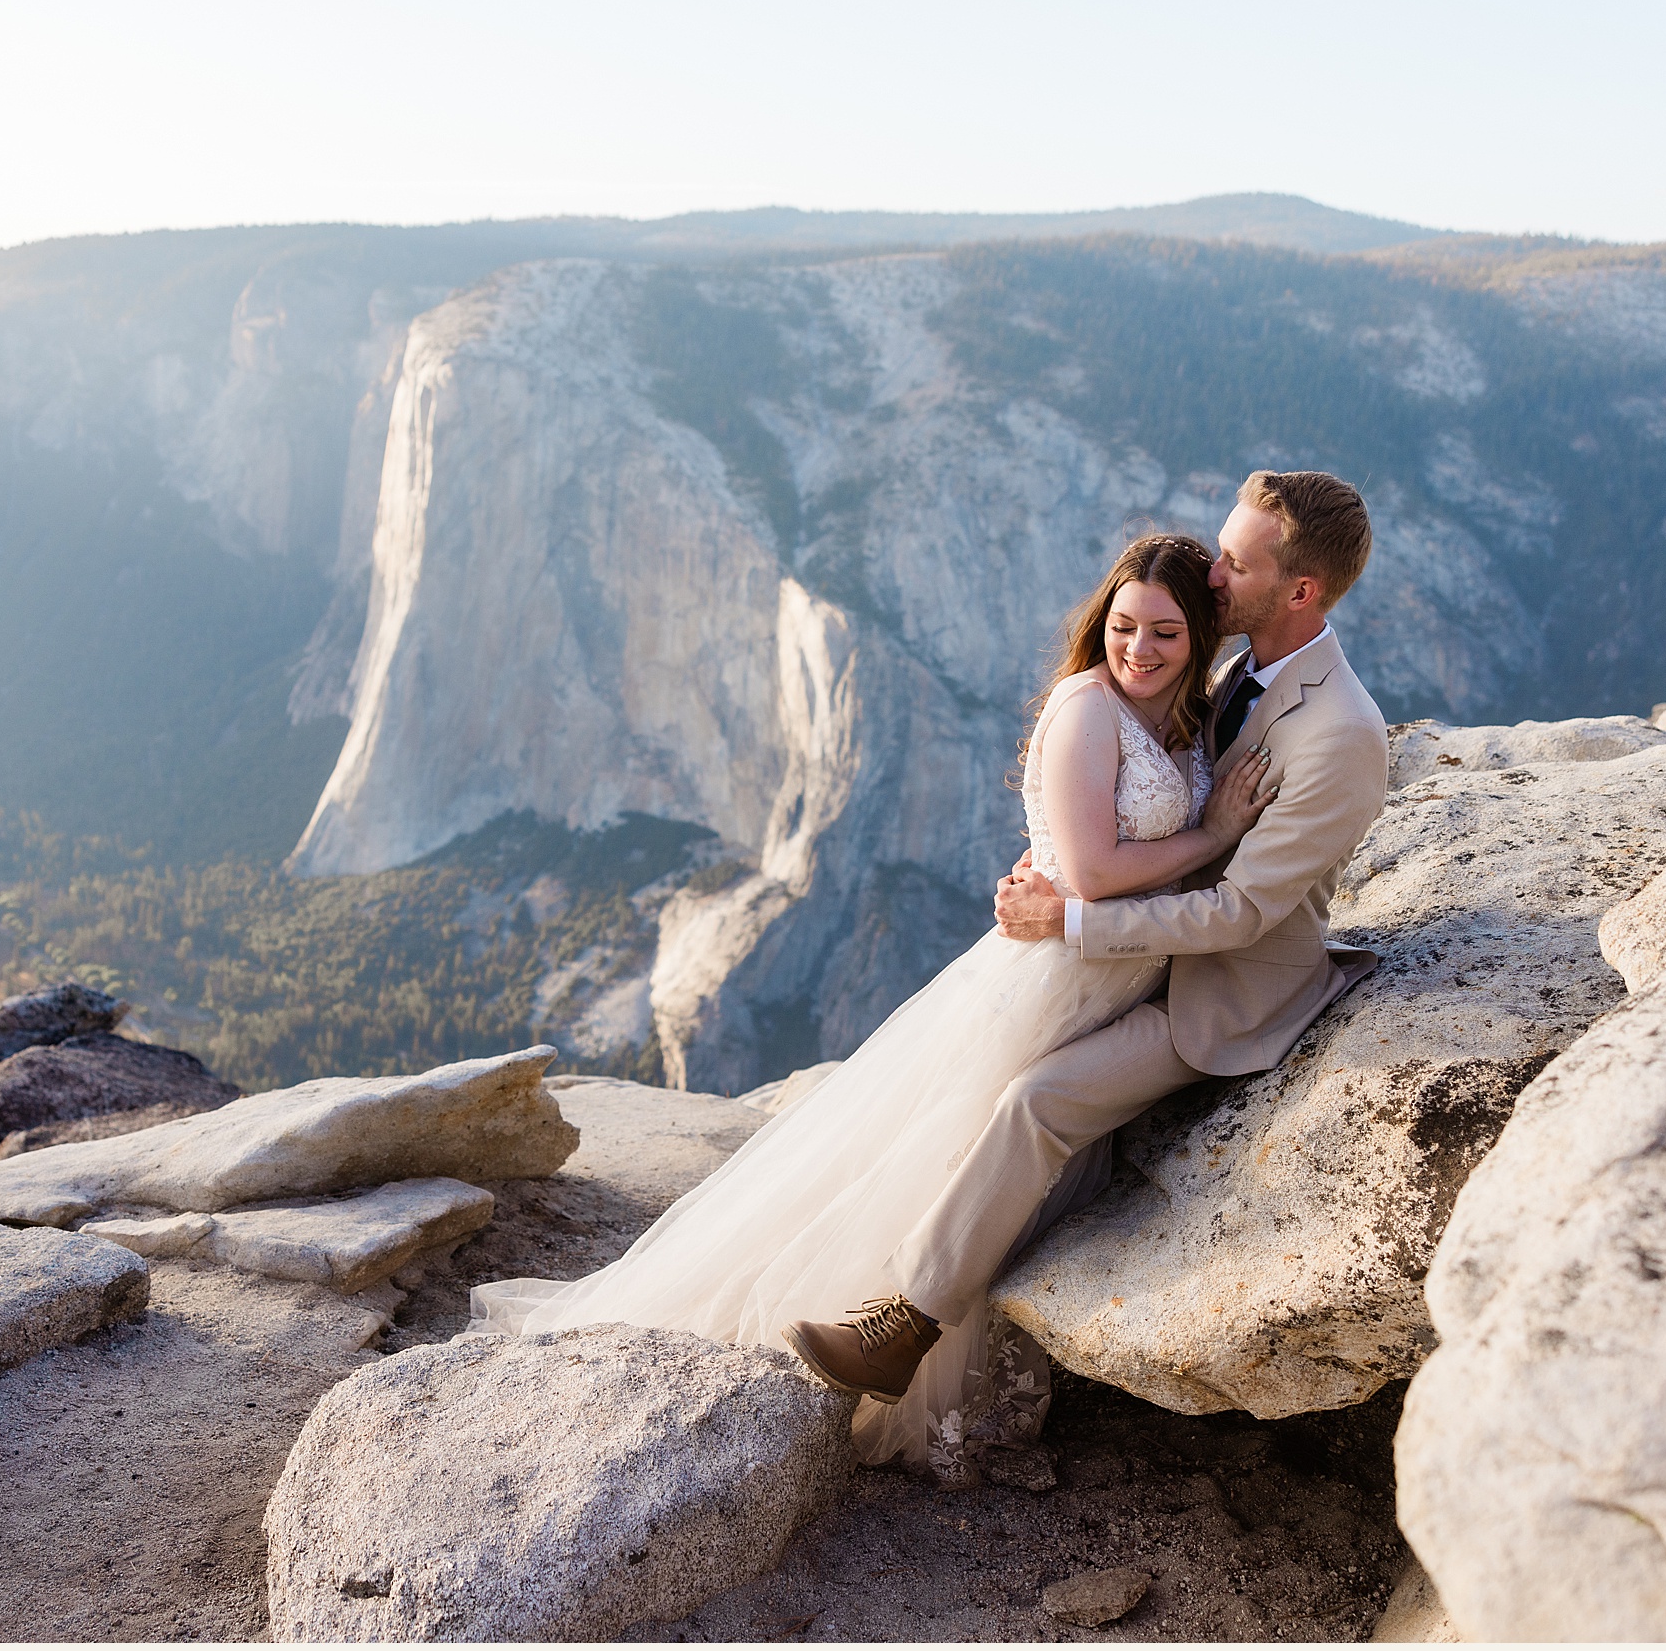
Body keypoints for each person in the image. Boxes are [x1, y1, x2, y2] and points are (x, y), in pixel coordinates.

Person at [472, 470, 1384, 1478]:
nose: (1215, 573)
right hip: (1134, 960)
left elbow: (1241, 911)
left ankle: (903, 1323)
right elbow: (1149, 797)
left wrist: (1073, 913)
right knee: (962, 1105)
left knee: (1036, 1101)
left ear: (1299, 591)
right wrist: (1101, 876)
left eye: (1236, 562)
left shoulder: (1337, 729)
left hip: (1226, 990)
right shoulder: (1232, 672)